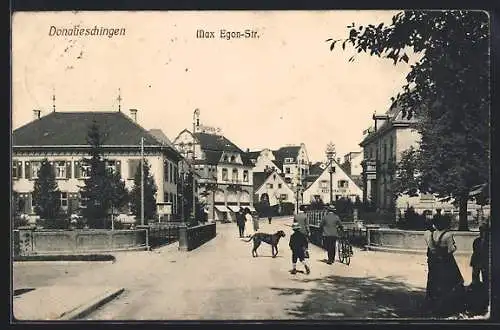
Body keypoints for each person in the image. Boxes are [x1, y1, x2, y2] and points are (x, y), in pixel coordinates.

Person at [424, 214, 465, 316]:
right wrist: (454, 247)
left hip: (434, 262)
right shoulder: (448, 235)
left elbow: (431, 248)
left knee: (434, 280)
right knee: (451, 281)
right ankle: (449, 306)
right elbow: (451, 249)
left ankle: (432, 304)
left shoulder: (428, 234)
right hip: (446, 261)